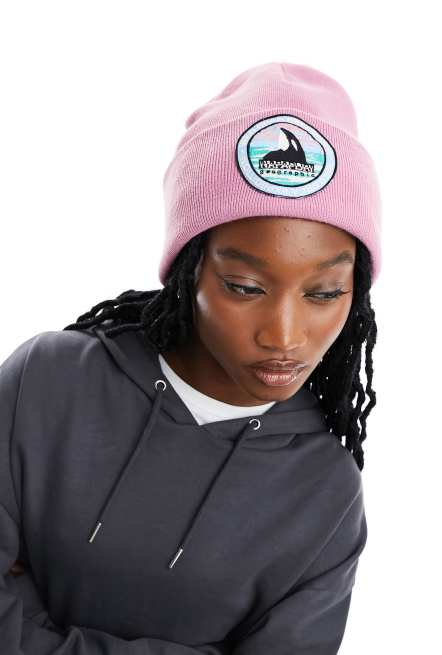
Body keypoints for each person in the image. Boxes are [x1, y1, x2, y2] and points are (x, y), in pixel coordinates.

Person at [0, 62, 382, 654]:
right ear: (188, 271)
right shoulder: (48, 383)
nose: (283, 336)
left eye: (325, 293)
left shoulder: (325, 493)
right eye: (245, 287)